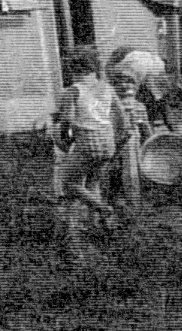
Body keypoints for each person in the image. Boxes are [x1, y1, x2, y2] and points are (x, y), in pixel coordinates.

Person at [51, 46, 127, 231]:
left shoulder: (73, 91)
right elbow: (122, 116)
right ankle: (98, 224)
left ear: (73, 69)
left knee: (68, 181)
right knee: (93, 182)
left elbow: (67, 119)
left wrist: (64, 136)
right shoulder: (107, 88)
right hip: (108, 141)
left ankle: (103, 209)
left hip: (87, 143)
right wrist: (117, 137)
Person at [110, 72, 152, 211]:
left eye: (129, 82)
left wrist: (150, 144)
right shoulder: (110, 105)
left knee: (132, 172)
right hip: (113, 143)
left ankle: (134, 205)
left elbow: (145, 129)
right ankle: (115, 203)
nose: (124, 85)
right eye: (119, 82)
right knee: (114, 174)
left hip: (132, 143)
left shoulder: (139, 106)